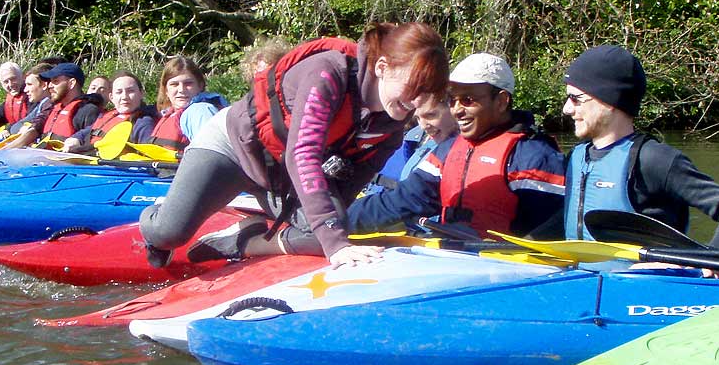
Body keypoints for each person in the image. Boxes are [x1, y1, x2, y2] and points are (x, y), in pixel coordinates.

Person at [140, 22, 450, 268]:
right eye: (413, 87)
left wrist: (332, 233)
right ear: (382, 67)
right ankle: (157, 218)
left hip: (282, 175)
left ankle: (243, 238)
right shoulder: (328, 73)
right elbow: (303, 153)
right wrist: (336, 245)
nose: (416, 102)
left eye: (426, 93)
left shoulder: (392, 126)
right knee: (170, 234)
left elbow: (352, 181)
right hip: (233, 149)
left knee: (334, 230)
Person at [345, 52, 565, 239]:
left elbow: (550, 233)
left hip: (506, 273)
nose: (457, 110)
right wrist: (333, 222)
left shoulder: (535, 156)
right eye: (453, 100)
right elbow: (400, 202)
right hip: (453, 260)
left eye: (468, 100)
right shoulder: (447, 150)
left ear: (501, 101)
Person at [559, 45, 719, 246]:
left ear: (609, 101)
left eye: (576, 99)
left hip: (643, 277)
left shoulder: (654, 160)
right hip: (580, 275)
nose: (567, 109)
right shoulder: (575, 158)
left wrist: (714, 255)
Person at [8, 62, 103, 149]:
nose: (50, 86)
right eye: (50, 82)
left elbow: (91, 146)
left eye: (56, 81)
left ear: (71, 83)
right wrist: (4, 151)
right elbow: (34, 130)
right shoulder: (52, 107)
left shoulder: (88, 110)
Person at [62, 72, 157, 153]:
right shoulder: (108, 116)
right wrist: (74, 139)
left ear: (141, 94)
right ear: (111, 97)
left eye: (130, 91)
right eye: (119, 92)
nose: (124, 97)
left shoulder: (143, 123)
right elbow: (84, 133)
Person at [148, 56, 229, 151]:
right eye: (174, 84)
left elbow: (212, 155)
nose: (181, 90)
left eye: (188, 84)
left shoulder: (200, 111)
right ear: (166, 90)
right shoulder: (168, 113)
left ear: (200, 86)